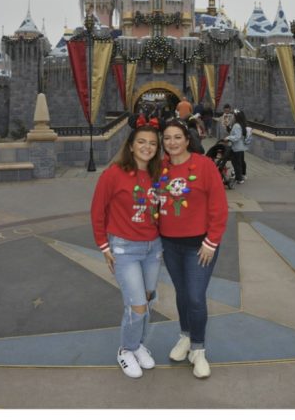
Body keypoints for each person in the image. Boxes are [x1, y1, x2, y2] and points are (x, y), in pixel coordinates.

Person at [91, 124, 164, 379]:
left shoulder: (158, 175)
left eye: (153, 143)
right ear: (131, 145)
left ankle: (138, 344)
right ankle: (126, 349)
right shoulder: (114, 174)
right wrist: (103, 245)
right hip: (124, 248)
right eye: (141, 142)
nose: (147, 147)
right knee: (137, 305)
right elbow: (98, 210)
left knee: (148, 298)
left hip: (153, 247)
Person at [158, 119, 228, 379]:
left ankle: (198, 349)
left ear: (187, 139)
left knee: (196, 297)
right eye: (167, 138)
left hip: (200, 246)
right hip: (169, 243)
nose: (172, 142)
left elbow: (219, 207)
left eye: (177, 137)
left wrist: (211, 241)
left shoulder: (205, 165)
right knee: (182, 294)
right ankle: (185, 336)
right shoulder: (160, 168)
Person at [225, 110, 249, 184]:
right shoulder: (243, 124)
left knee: (236, 162)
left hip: (237, 147)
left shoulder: (237, 125)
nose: (233, 117)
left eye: (234, 116)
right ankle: (242, 175)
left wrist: (228, 138)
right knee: (241, 161)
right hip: (241, 147)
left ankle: (239, 178)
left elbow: (237, 136)